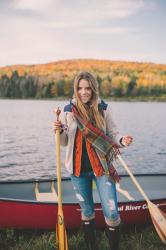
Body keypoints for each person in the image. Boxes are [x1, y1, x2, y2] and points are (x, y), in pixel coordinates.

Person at [54, 71, 133, 250]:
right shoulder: (68, 110)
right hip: (77, 170)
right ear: (76, 89)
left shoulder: (103, 108)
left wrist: (122, 141)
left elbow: (113, 133)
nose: (84, 92)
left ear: (93, 89)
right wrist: (59, 132)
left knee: (112, 213)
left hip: (103, 168)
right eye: (80, 88)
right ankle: (92, 247)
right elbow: (65, 142)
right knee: (87, 212)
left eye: (88, 88)